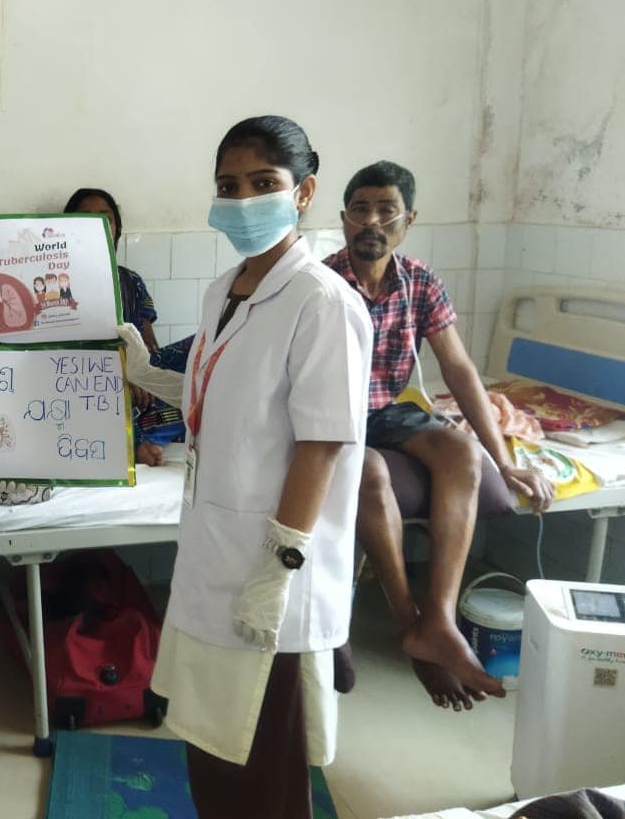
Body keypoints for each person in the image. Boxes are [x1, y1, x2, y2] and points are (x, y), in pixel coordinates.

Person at [120, 116, 372, 819]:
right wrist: (147, 373)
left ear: (304, 192)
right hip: (214, 553)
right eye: (228, 186)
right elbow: (221, 392)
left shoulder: (322, 302)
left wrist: (279, 565)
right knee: (210, 743)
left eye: (263, 183)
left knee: (265, 766)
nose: (242, 200)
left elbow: (322, 443)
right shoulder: (224, 289)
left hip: (271, 573)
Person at [324, 160, 553, 710]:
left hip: (387, 410)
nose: (371, 222)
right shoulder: (323, 283)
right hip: (332, 415)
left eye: (386, 210)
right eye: (360, 210)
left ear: (408, 221)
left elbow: (458, 370)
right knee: (369, 471)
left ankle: (441, 619)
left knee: (460, 450)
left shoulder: (420, 281)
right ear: (344, 218)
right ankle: (413, 627)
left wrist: (504, 461)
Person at [64, 187, 168, 466]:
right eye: (85, 217)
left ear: (116, 228)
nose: (97, 224)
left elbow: (149, 348)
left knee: (192, 372)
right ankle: (132, 440)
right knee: (92, 392)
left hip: (135, 381)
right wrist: (118, 375)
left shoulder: (131, 281)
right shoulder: (59, 284)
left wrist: (139, 374)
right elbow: (60, 355)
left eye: (105, 217)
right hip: (85, 380)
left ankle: (133, 433)